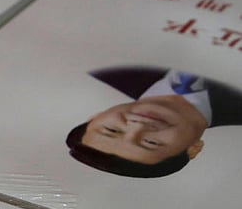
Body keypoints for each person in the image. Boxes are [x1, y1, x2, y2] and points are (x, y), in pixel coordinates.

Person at [66, 66, 242, 178]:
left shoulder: (107, 65)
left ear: (95, 117)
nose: (138, 126)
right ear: (193, 148)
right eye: (150, 142)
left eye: (112, 130)